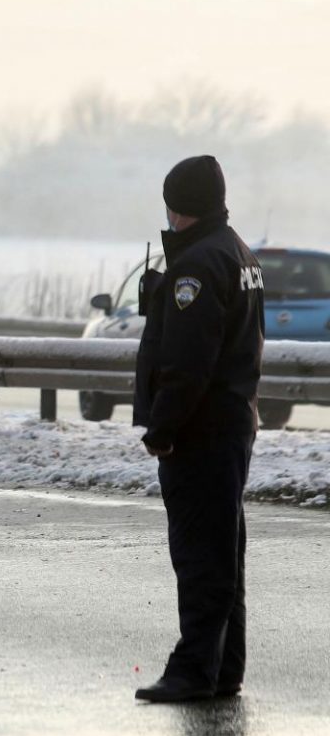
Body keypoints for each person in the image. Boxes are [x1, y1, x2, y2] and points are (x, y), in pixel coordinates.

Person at [133, 155, 264, 703]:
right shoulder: (238, 253)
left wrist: (162, 427)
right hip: (231, 423)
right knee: (223, 552)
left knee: (200, 555)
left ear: (178, 204)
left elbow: (188, 362)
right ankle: (222, 667)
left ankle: (192, 670)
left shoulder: (197, 266)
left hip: (201, 430)